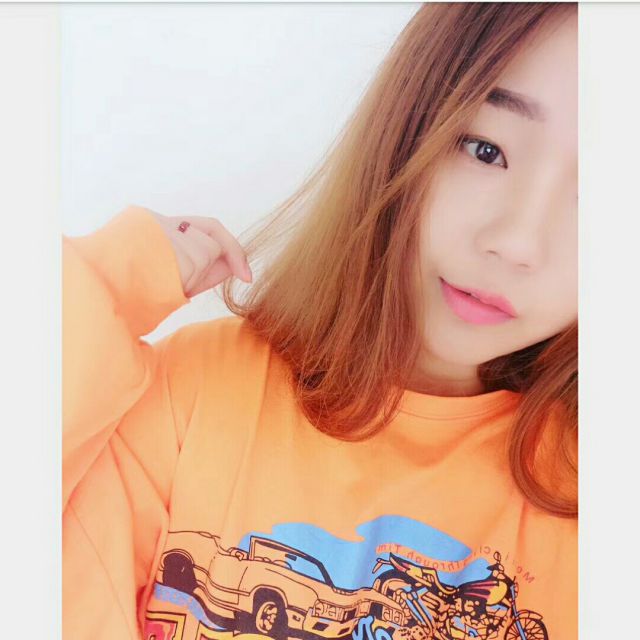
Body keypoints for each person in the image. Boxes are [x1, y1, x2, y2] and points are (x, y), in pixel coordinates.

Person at [62, 3, 577, 639]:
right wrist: (104, 286)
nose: (518, 242)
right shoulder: (195, 393)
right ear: (403, 133)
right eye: (485, 150)